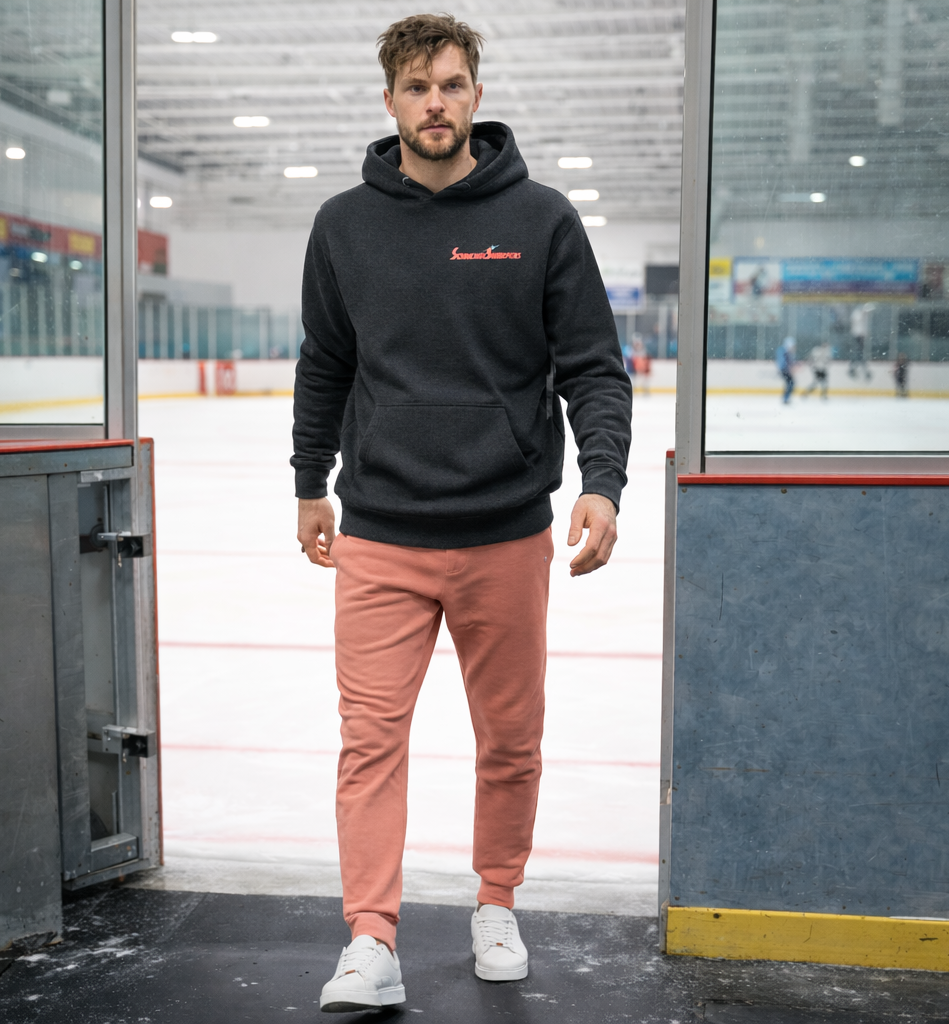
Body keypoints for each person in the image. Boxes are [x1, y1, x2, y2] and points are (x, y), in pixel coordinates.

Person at [291, 14, 632, 1013]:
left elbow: (592, 369)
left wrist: (601, 483)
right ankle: (371, 936)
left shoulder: (542, 219)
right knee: (369, 740)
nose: (433, 102)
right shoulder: (343, 225)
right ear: (388, 100)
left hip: (504, 534)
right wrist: (310, 480)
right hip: (382, 533)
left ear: (475, 94)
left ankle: (495, 901)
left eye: (449, 83)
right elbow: (325, 363)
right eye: (414, 87)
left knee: (510, 739)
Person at [848, 303, 874, 380]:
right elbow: (855, 320)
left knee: (860, 352)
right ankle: (855, 367)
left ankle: (858, 365)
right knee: (858, 352)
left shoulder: (863, 315)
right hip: (857, 335)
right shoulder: (857, 313)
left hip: (861, 336)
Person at [774, 335, 797, 404]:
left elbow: (790, 362)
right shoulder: (783, 351)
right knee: (790, 383)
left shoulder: (786, 351)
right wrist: (788, 368)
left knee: (790, 384)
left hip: (785, 370)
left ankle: (786, 398)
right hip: (784, 370)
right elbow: (783, 362)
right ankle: (785, 398)